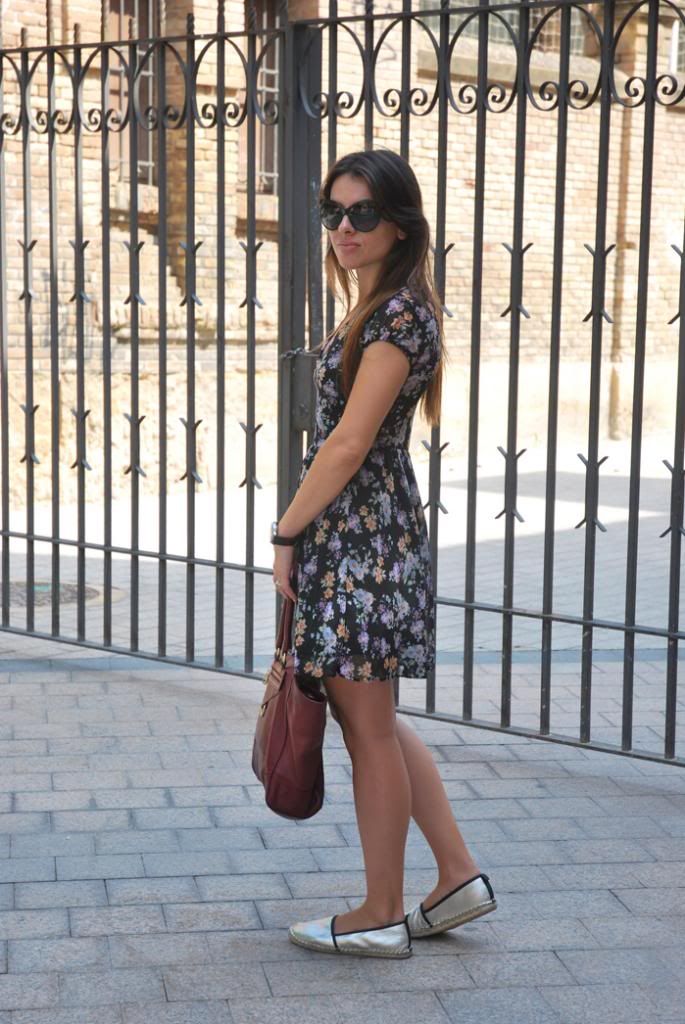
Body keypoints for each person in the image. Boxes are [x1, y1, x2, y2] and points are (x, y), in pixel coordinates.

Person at [270, 148, 496, 959]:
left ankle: (380, 912)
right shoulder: (381, 308)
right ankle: (456, 877)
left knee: (366, 729)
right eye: (334, 211)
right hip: (362, 537)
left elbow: (348, 444)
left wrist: (285, 532)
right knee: (374, 720)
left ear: (400, 221)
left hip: (363, 542)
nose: (343, 227)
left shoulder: (398, 315)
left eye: (362, 213)